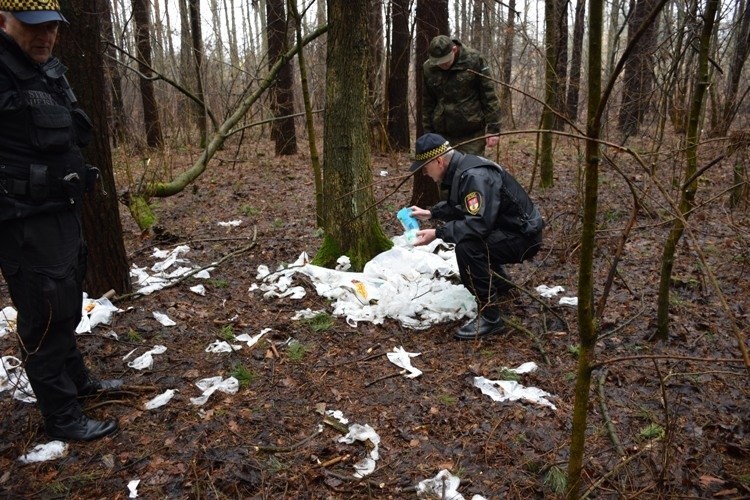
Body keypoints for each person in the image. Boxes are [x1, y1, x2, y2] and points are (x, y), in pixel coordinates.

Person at [0, 0, 121, 441]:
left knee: (67, 306)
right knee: (44, 317)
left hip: (60, 213)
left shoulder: (46, 72)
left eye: (51, 26)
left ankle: (79, 384)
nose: (44, 35)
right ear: (3, 21)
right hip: (23, 222)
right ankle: (62, 417)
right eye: (33, 26)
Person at [407, 133, 544, 340]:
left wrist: (437, 233)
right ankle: (501, 285)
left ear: (438, 161)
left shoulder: (474, 176)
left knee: (468, 248)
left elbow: (477, 225)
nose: (425, 173)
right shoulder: (463, 170)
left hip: (524, 237)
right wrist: (432, 214)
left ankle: (490, 317)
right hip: (512, 231)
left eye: (425, 168)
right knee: (472, 243)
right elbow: (464, 208)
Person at [422, 35, 502, 157]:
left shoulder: (474, 60)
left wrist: (493, 129)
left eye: (445, 61)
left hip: (472, 132)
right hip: (442, 133)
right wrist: (429, 134)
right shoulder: (429, 68)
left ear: (454, 50)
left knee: (470, 172)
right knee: (446, 173)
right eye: (438, 62)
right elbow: (428, 103)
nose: (441, 65)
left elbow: (489, 95)